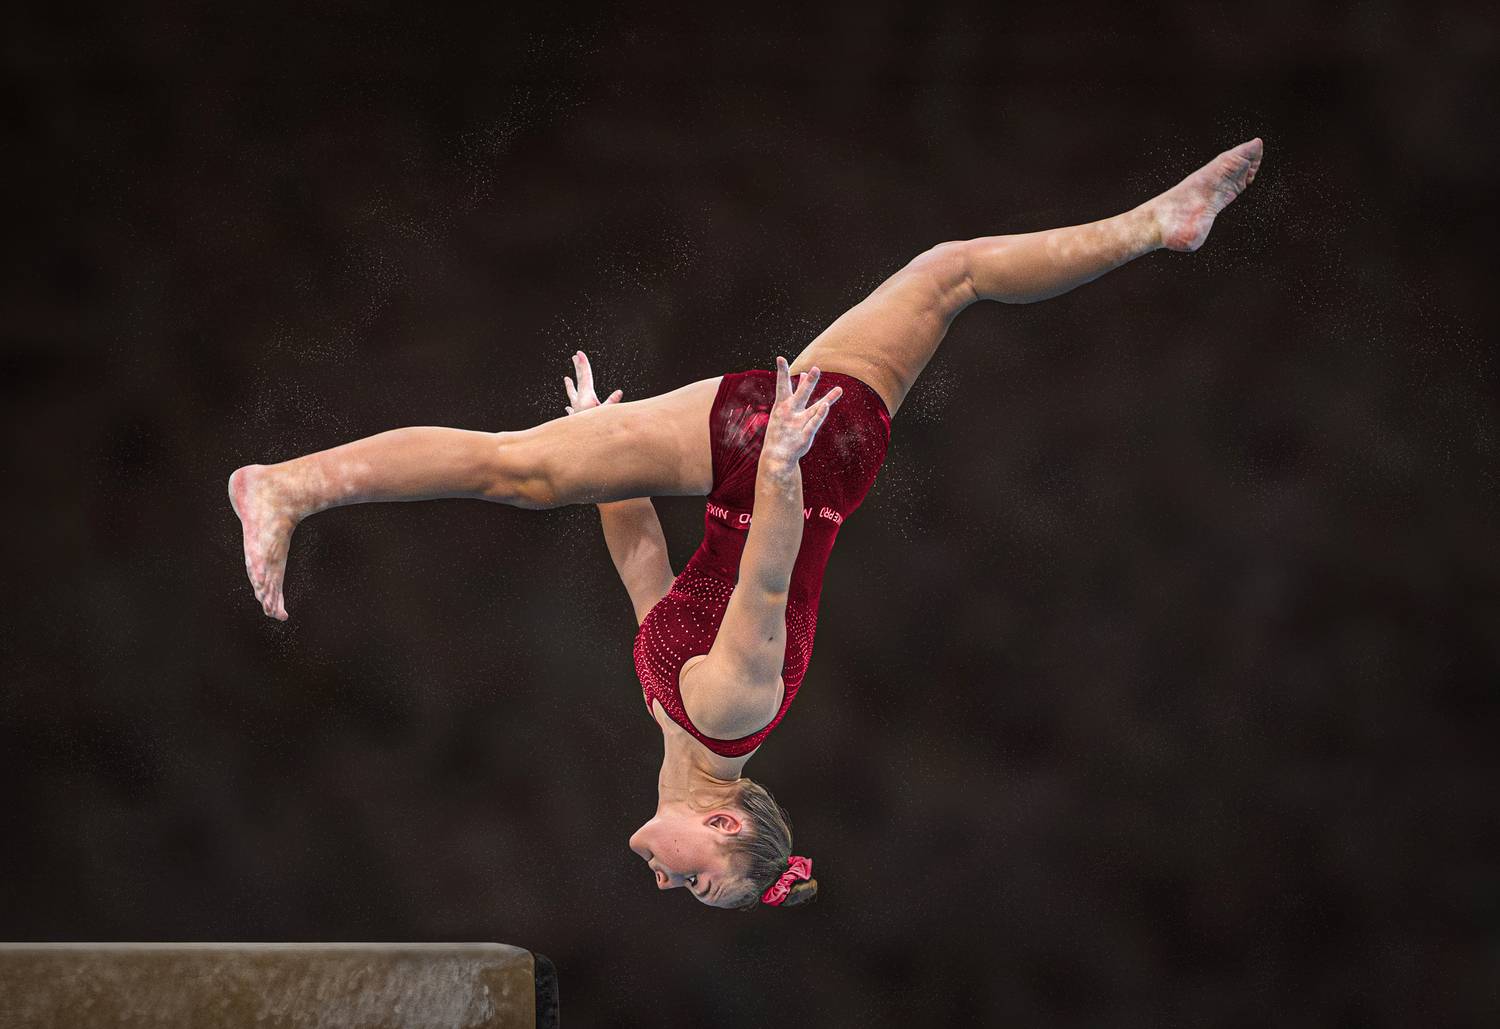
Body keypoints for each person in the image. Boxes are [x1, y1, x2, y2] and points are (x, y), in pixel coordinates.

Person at [229, 139, 1264, 909]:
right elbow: (766, 581)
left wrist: (610, 449)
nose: (670, 888)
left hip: (809, 457)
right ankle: (290, 485)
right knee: (517, 469)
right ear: (723, 825)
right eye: (701, 882)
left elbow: (646, 568)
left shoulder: (673, 719)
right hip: (781, 463)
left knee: (952, 274)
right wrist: (772, 465)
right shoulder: (729, 711)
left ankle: (1152, 228)